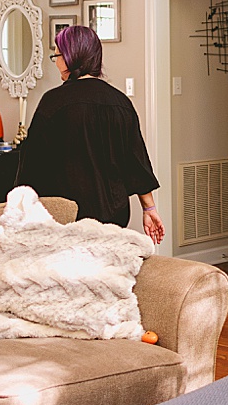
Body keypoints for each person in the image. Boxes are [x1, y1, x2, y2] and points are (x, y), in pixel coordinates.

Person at [14, 24, 164, 244]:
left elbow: (33, 164)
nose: (56, 62)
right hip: (114, 216)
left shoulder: (53, 102)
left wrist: (19, 209)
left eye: (56, 55)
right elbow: (136, 161)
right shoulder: (121, 102)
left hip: (68, 217)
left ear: (69, 58)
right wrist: (149, 208)